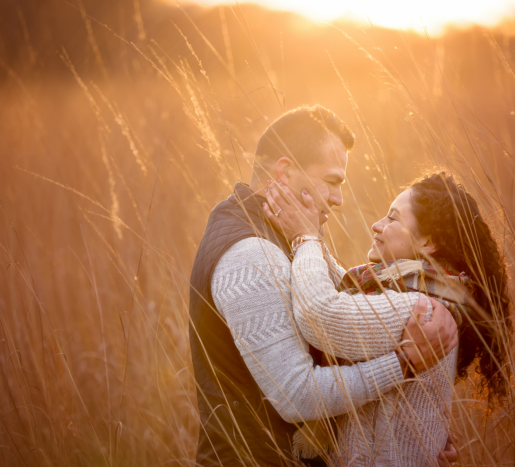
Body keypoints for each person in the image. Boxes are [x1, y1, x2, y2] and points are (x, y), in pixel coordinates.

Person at [188, 105, 459, 466]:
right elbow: (297, 394)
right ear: (283, 173)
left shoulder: (286, 233)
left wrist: (415, 429)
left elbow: (343, 305)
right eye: (332, 181)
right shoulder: (248, 254)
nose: (338, 199)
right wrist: (405, 363)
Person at [262, 171, 512, 465]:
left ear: (428, 242)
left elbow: (320, 316)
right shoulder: (419, 295)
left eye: (393, 218)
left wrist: (305, 237)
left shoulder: (421, 309)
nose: (376, 225)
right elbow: (340, 293)